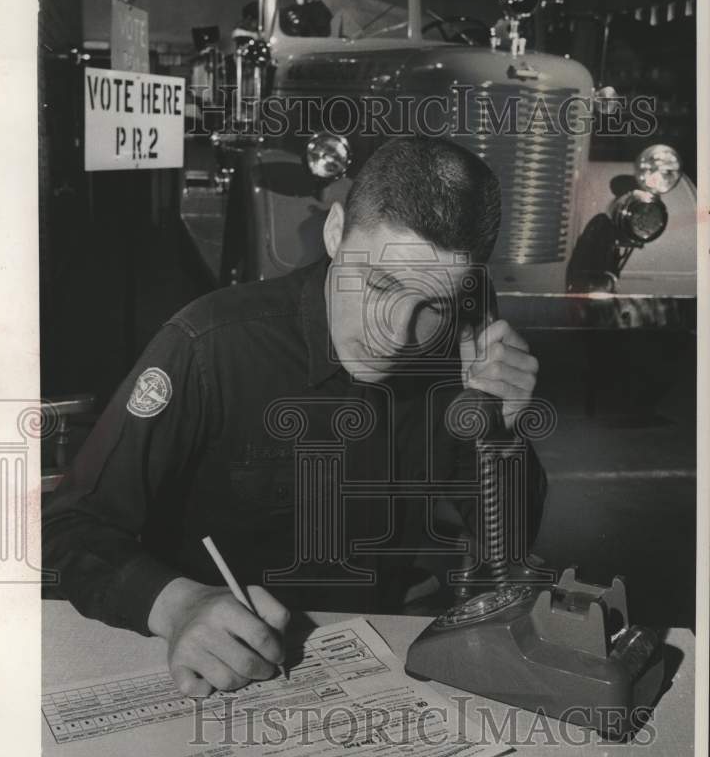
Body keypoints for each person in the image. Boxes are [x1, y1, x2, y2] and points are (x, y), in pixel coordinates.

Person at [43, 136, 545, 698]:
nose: (397, 335)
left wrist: (502, 434)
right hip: (216, 668)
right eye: (379, 284)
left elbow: (509, 544)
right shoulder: (211, 346)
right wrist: (179, 605)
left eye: (434, 304)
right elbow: (64, 530)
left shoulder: (456, 356)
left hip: (375, 669)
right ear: (335, 233)